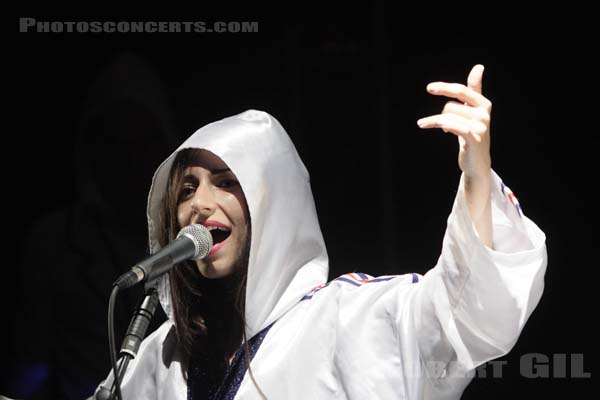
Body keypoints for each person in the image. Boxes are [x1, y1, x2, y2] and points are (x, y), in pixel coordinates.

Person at [92, 64, 547, 399]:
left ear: (273, 203)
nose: (199, 204)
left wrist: (476, 177)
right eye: (187, 188)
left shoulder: (346, 320)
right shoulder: (158, 357)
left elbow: (464, 317)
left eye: (227, 182)